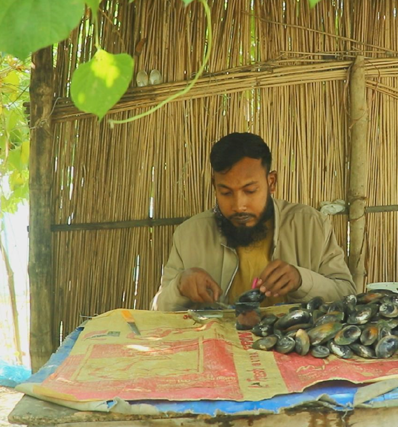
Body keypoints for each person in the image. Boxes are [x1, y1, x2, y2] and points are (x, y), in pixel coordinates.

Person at [152, 132, 356, 311]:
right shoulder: (189, 234)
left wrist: (301, 280)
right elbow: (159, 308)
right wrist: (180, 286)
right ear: (214, 186)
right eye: (225, 192)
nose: (239, 205)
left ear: (271, 182)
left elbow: (347, 294)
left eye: (250, 191)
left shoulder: (310, 225)